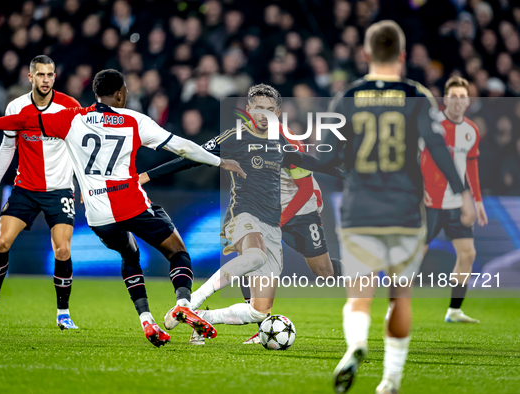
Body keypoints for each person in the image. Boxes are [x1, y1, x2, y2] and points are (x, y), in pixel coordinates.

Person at [0, 69, 247, 348]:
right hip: (131, 203)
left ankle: (146, 320)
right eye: (124, 90)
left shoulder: (71, 118)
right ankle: (183, 303)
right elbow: (183, 147)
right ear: (119, 94)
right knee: (177, 252)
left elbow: (20, 122)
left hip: (98, 214)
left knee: (129, 255)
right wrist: (221, 161)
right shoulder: (134, 120)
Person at [324, 21, 476, 394]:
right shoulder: (417, 95)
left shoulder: (348, 96)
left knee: (359, 295)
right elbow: (438, 148)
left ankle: (357, 344)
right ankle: (390, 379)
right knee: (400, 295)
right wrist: (464, 193)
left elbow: (328, 153)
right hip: (406, 212)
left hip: (360, 211)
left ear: (365, 54)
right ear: (403, 57)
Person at [139, 84, 345, 344]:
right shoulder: (235, 136)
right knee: (254, 255)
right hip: (247, 214)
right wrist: (147, 175)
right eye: (258, 109)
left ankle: (201, 316)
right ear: (248, 110)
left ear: (278, 113)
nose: (263, 115)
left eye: (270, 110)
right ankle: (191, 303)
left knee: (263, 309)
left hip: (285, 218)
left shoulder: (285, 140)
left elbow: (308, 174)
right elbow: (192, 156)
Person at [0, 55, 82, 330]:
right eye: (41, 75)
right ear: (30, 77)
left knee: (63, 249)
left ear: (55, 77)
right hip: (25, 188)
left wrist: (84, 184)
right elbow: (8, 148)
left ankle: (63, 313)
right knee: (1, 243)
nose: (46, 80)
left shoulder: (70, 107)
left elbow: (83, 148)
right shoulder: (16, 107)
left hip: (59, 189)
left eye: (50, 75)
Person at [421, 76, 488, 324]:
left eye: (463, 97)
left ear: (468, 101)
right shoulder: (432, 125)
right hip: (429, 202)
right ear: (445, 99)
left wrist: (477, 200)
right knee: (415, 255)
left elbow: (471, 166)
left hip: (457, 205)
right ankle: (395, 307)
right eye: (453, 96)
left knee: (468, 253)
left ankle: (454, 310)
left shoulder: (471, 131)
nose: (458, 101)